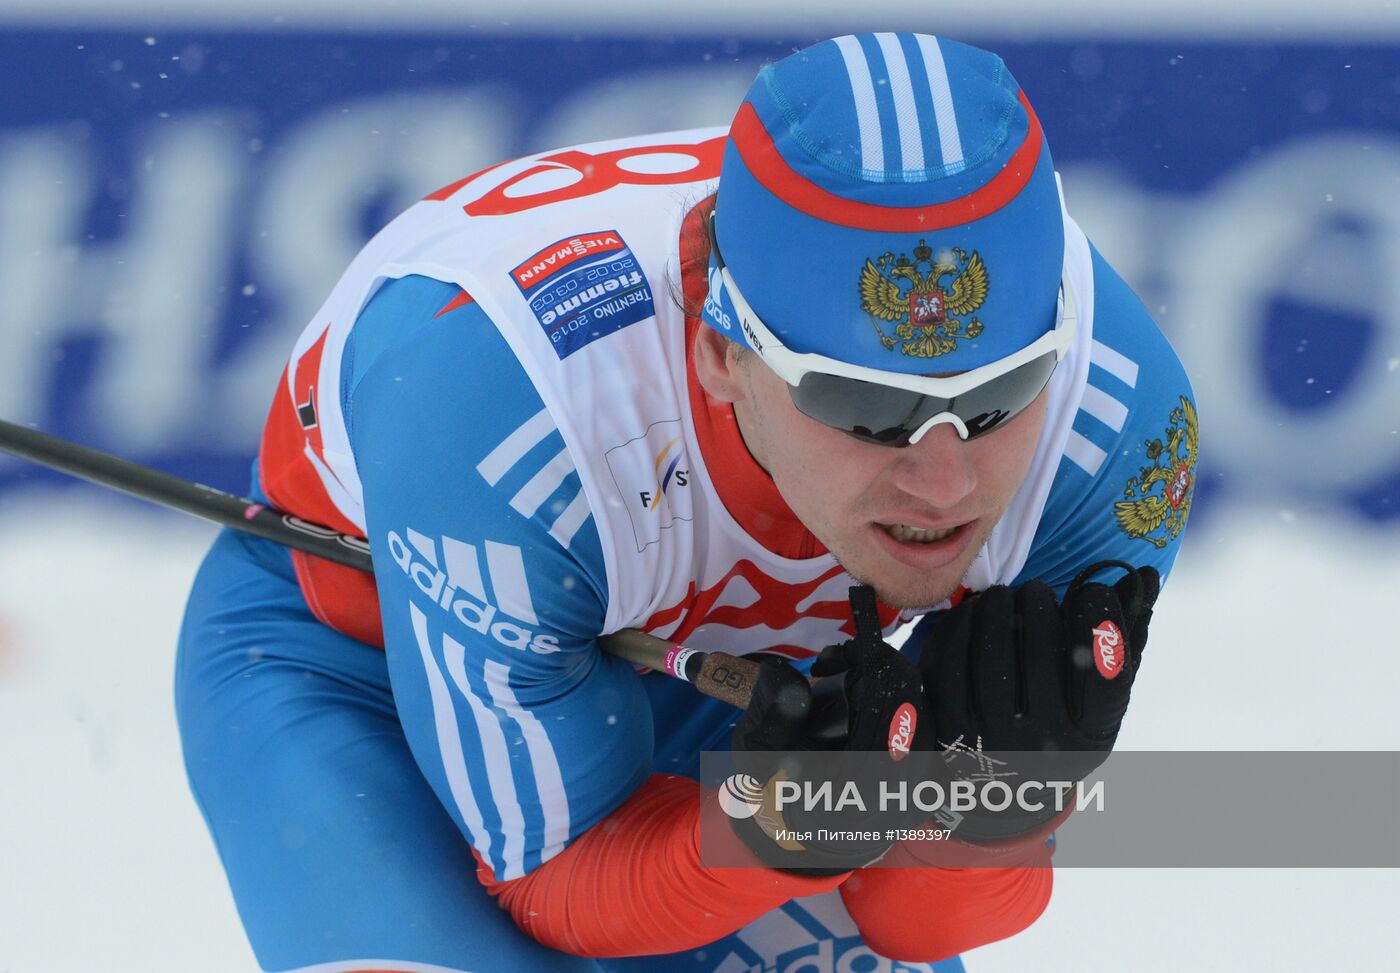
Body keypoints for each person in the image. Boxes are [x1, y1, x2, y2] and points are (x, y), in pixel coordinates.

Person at [176, 32, 1196, 973]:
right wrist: (768, 834)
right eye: (862, 406)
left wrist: (985, 809)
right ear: (721, 351)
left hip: (750, 689)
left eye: (996, 397)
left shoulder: (1114, 426)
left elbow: (916, 920)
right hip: (358, 670)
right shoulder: (505, 409)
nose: (941, 481)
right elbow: (559, 882)